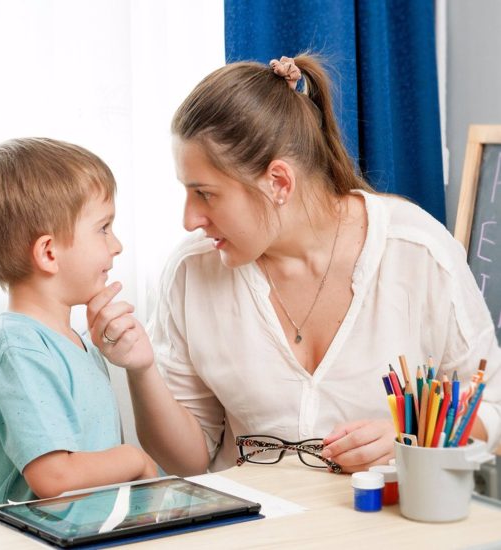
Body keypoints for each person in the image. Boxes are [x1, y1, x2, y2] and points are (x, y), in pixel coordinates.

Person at [87, 54, 501, 475]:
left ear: (279, 182)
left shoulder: (418, 251)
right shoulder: (192, 271)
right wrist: (141, 371)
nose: (189, 219)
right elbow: (188, 463)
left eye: (205, 194)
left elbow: (493, 407)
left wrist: (411, 435)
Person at [0, 137, 156, 504]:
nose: (117, 245)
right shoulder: (17, 349)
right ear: (49, 252)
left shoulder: (76, 342)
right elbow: (55, 478)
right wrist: (134, 459)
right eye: (104, 228)